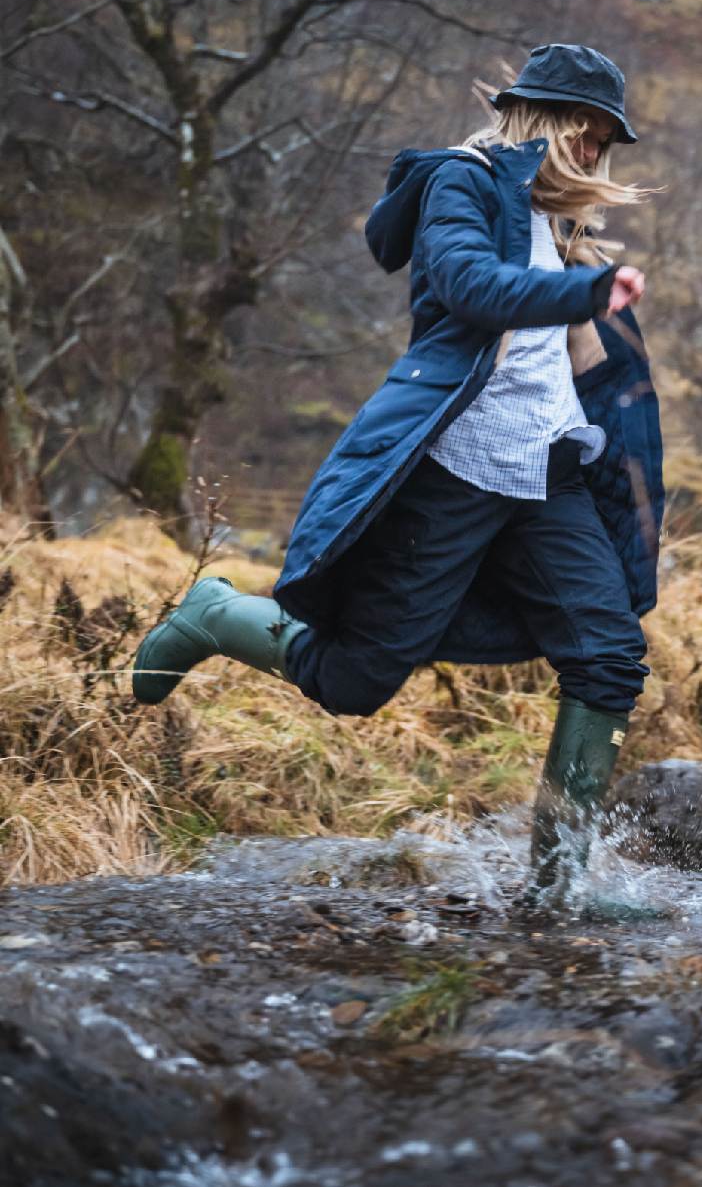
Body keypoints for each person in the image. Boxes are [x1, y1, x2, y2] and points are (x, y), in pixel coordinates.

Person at [132, 44, 665, 897]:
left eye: (606, 142)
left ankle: (561, 890)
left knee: (608, 658)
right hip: (454, 472)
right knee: (352, 681)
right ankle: (217, 613)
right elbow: (467, 285)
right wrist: (585, 295)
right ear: (545, 119)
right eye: (587, 133)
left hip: (548, 477)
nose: (595, 155)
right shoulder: (463, 182)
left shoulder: (557, 225)